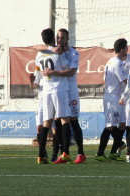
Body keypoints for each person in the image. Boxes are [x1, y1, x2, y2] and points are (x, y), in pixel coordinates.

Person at [43, 28, 86, 164]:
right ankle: (60, 153)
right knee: (57, 122)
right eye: (58, 37)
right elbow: (37, 47)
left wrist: (53, 72)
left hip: (71, 91)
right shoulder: (54, 50)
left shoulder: (74, 53)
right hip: (60, 90)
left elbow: (71, 72)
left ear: (67, 39)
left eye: (62, 38)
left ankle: (81, 153)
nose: (59, 40)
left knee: (73, 121)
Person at [34, 28, 72, 164]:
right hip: (59, 89)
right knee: (65, 120)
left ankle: (41, 155)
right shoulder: (58, 53)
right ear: (53, 38)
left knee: (47, 123)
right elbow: (69, 71)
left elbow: (38, 70)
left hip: (47, 91)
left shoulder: (39, 55)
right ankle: (66, 153)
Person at [95, 38, 128, 162]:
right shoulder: (118, 62)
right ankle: (100, 152)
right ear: (121, 49)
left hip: (116, 96)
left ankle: (115, 150)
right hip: (113, 97)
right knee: (110, 125)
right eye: (126, 48)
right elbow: (124, 80)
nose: (127, 50)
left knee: (122, 124)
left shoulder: (110, 61)